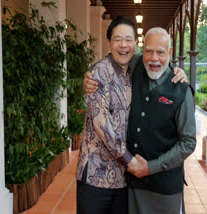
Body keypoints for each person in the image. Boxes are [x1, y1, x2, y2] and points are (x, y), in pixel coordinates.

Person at [76, 16, 187, 214]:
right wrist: (130, 161)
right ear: (109, 43)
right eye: (118, 39)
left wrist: (177, 71)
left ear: (136, 45)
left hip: (122, 179)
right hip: (96, 175)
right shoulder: (101, 72)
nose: (123, 45)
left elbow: (158, 59)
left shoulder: (133, 71)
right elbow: (102, 125)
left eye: (128, 39)